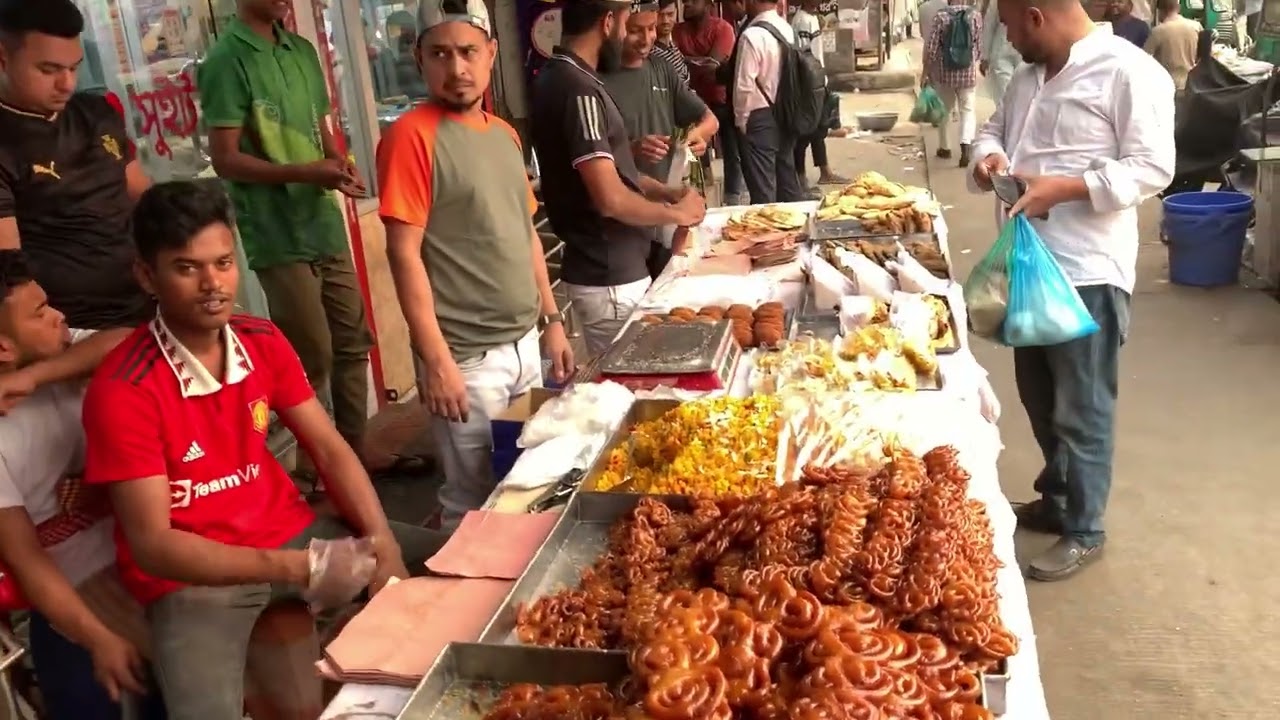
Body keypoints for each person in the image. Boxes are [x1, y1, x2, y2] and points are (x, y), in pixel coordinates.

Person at [81, 182, 448, 720]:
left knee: (454, 564)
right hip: (192, 583)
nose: (213, 284)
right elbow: (155, 545)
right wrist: (302, 567)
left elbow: (328, 446)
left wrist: (381, 540)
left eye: (224, 263)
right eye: (187, 268)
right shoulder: (124, 389)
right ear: (146, 276)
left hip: (291, 535)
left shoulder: (261, 339)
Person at [970, 0, 1174, 581]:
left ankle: (1085, 526)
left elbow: (1152, 168)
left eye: (1008, 26)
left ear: (1036, 16)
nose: (1006, 38)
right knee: (1038, 394)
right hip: (1028, 266)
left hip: (1086, 273)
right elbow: (991, 128)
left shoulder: (1128, 72)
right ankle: (1057, 500)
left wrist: (1064, 187)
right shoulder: (1030, 80)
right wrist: (991, 158)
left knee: (1082, 407)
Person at [377, 0, 574, 531]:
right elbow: (404, 255)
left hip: (524, 346)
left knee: (524, 475)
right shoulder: (409, 138)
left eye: (468, 52)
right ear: (420, 59)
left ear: (490, 54)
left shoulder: (505, 135)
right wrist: (435, 360)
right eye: (440, 54)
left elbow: (525, 235)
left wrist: (552, 323)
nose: (457, 68)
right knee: (471, 499)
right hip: (466, 361)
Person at [199, 0, 374, 458]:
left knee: (353, 343)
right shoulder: (226, 60)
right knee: (309, 356)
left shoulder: (300, 50)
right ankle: (318, 469)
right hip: (277, 231)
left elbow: (323, 130)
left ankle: (356, 455)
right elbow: (225, 158)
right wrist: (305, 172)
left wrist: (341, 165)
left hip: (323, 219)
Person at [531, 0, 705, 357]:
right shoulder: (577, 88)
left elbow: (616, 173)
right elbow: (609, 198)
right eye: (628, 25)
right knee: (633, 383)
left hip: (617, 271)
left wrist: (666, 192)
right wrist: (677, 216)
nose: (631, 36)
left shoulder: (566, 77)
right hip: (609, 278)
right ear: (609, 22)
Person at [0, 0, 153, 330]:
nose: (67, 83)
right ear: (3, 58)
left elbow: (143, 195)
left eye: (74, 67)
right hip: (72, 328)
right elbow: (11, 272)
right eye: (49, 69)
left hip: (149, 301)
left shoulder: (96, 113)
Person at [605, 0, 718, 278]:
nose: (646, 39)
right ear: (614, 26)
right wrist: (630, 150)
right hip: (625, 219)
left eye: (652, 29)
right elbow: (595, 157)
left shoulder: (661, 66)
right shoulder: (596, 78)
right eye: (635, 31)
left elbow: (709, 120)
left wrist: (695, 138)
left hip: (669, 209)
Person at [673, 0, 747, 205]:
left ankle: (733, 196)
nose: (687, 4)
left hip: (722, 100)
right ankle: (703, 189)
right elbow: (674, 64)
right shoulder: (677, 31)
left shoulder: (722, 28)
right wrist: (699, 62)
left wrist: (686, 61)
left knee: (732, 150)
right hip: (692, 101)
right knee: (695, 148)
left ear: (708, 4)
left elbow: (713, 66)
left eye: (693, 1)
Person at [733, 0, 806, 204]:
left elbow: (744, 85)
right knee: (786, 176)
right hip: (786, 110)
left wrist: (741, 121)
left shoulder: (751, 35)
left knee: (762, 187)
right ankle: (796, 225)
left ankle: (766, 228)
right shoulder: (786, 28)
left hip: (758, 115)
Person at [790, 0, 847, 191]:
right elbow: (805, 54)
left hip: (816, 79)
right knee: (806, 133)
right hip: (811, 82)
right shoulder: (803, 21)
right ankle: (800, 178)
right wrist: (814, 83)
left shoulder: (810, 18)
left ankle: (824, 171)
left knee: (818, 129)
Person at [922, 0, 982, 167]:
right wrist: (971, 62)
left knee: (944, 111)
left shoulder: (941, 16)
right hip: (967, 74)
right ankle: (966, 146)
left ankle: (944, 147)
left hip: (945, 73)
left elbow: (931, 49)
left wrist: (926, 72)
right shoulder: (975, 15)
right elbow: (978, 45)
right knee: (967, 110)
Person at [1145, 0, 1201, 91]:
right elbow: (1204, 55)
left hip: (1166, 83)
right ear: (1178, 8)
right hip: (1191, 82)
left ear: (1160, 11)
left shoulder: (1158, 32)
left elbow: (1145, 58)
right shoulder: (1196, 26)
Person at [979, 0, 1022, 102]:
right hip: (1003, 51)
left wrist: (985, 57)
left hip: (1019, 51)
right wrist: (984, 56)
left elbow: (989, 24)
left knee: (1016, 94)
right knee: (1005, 96)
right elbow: (989, 25)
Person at [652, 0, 691, 83]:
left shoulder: (673, 46)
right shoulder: (650, 54)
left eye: (670, 14)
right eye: (659, 15)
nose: (665, 20)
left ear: (676, 12)